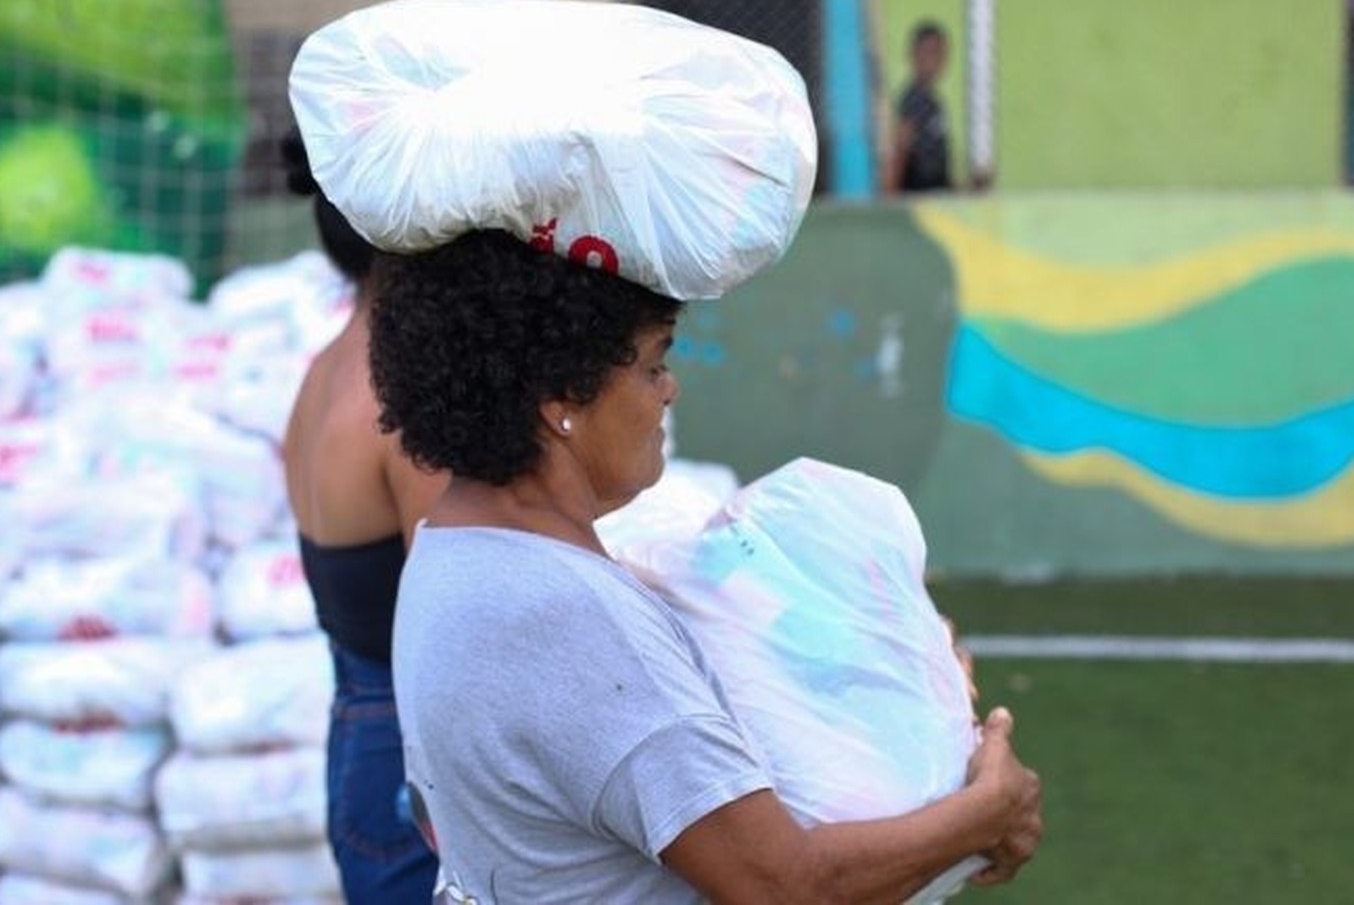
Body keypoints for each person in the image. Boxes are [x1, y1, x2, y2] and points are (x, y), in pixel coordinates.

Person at [372, 228, 1043, 903]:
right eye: (651, 365)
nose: (670, 390)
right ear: (562, 401)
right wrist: (990, 810)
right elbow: (788, 888)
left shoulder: (452, 544)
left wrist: (897, 671)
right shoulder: (571, 613)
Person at [280, 127, 446, 903]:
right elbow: (460, 614)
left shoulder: (324, 371)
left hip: (360, 733)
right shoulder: (398, 397)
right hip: (412, 760)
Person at [885, 20, 956, 194]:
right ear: (914, 55)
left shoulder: (934, 102)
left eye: (939, 53)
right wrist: (890, 195)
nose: (934, 59)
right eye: (928, 52)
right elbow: (900, 147)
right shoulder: (914, 99)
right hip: (918, 194)